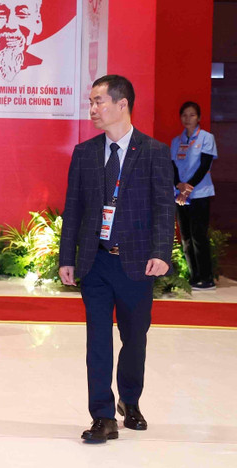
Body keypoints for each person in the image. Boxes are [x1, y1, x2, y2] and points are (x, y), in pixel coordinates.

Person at [58, 74, 174, 443]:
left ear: (122, 104)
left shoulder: (153, 151)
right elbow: (73, 209)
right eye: (91, 102)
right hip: (96, 262)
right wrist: (67, 257)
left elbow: (163, 208)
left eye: (98, 101)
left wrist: (161, 253)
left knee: (134, 337)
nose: (92, 109)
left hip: (137, 264)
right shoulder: (85, 153)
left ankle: (130, 400)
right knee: (97, 340)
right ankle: (103, 416)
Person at [171, 101, 217, 290]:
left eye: (192, 115)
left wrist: (188, 188)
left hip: (199, 193)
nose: (188, 119)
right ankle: (194, 276)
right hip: (180, 195)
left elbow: (204, 165)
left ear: (198, 118)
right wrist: (179, 185)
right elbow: (172, 166)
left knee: (199, 235)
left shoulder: (206, 138)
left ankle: (207, 278)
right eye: (184, 115)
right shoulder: (176, 141)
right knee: (186, 237)